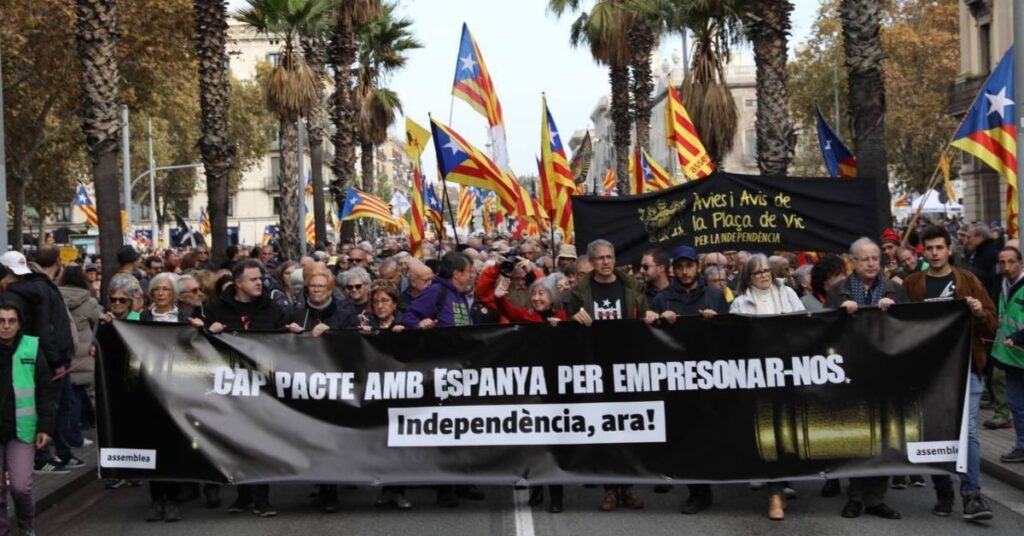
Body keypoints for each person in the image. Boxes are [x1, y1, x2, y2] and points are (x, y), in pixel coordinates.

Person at [192, 260, 300, 518]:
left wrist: (294, 333)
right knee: (236, 442)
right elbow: (200, 346)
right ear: (238, 283)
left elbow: (284, 340)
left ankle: (262, 498)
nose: (259, 283)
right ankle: (243, 495)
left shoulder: (272, 309)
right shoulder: (217, 309)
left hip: (263, 387)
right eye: (253, 279)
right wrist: (208, 332)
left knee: (261, 442)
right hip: (231, 388)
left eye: (260, 279)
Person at [903, 225, 995, 521]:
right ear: (923, 251)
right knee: (935, 432)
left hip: (966, 367)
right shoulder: (913, 284)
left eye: (939, 248)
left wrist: (980, 311)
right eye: (929, 249)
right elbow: (900, 325)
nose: (934, 253)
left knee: (966, 432)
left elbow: (991, 323)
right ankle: (943, 491)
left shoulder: (968, 280)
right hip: (929, 373)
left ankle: (972, 495)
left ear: (949, 249)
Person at [825, 238, 906, 520]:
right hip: (852, 373)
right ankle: (855, 496)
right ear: (853, 262)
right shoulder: (837, 291)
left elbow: (910, 329)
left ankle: (876, 498)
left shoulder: (895, 289)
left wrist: (893, 310)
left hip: (886, 372)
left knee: (884, 436)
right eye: (865, 259)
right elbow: (823, 334)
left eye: (875, 258)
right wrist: (840, 315)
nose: (872, 263)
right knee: (857, 435)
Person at [568, 239, 649, 511]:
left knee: (629, 429)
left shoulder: (632, 286)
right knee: (605, 429)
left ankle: (628, 487)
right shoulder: (581, 291)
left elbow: (644, 315)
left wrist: (649, 317)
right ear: (591, 262)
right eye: (601, 258)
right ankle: (610, 489)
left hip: (628, 365)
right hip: (596, 367)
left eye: (610, 257)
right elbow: (569, 321)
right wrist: (572, 319)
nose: (606, 262)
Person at [649, 245, 728, 515]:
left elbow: (732, 332)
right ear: (674, 269)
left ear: (698, 267)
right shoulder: (663, 299)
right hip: (678, 376)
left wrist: (717, 321)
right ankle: (697, 491)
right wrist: (659, 320)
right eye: (680, 266)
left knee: (712, 432)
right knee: (686, 433)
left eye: (689, 265)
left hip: (711, 374)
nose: (685, 271)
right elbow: (652, 338)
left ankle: (713, 480)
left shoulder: (716, 296)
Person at [730, 254, 804, 520]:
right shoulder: (740, 303)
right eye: (757, 272)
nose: (763, 276)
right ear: (748, 277)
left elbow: (808, 327)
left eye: (766, 271)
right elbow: (734, 342)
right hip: (758, 377)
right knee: (769, 431)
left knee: (787, 431)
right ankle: (774, 492)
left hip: (790, 373)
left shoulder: (788, 295)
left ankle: (781, 485)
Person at [0, 303, 55, 536]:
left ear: (19, 323)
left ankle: (26, 526)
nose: (6, 326)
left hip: (22, 429)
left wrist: (45, 426)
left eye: (11, 321)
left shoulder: (31, 347)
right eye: (1, 321)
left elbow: (44, 390)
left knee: (21, 488)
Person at [57, 266, 99, 453]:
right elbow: (97, 322)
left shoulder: (56, 298)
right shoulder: (89, 301)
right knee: (77, 396)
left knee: (67, 397)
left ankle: (63, 433)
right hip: (83, 353)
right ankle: (74, 436)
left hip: (63, 352)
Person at [991, 246, 1024, 463]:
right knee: (1016, 405)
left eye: (1011, 262)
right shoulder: (1002, 284)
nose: (1006, 267)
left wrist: (1020, 336)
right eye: (1002, 262)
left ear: (1020, 263)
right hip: (1011, 357)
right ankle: (1022, 445)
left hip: (1019, 350)